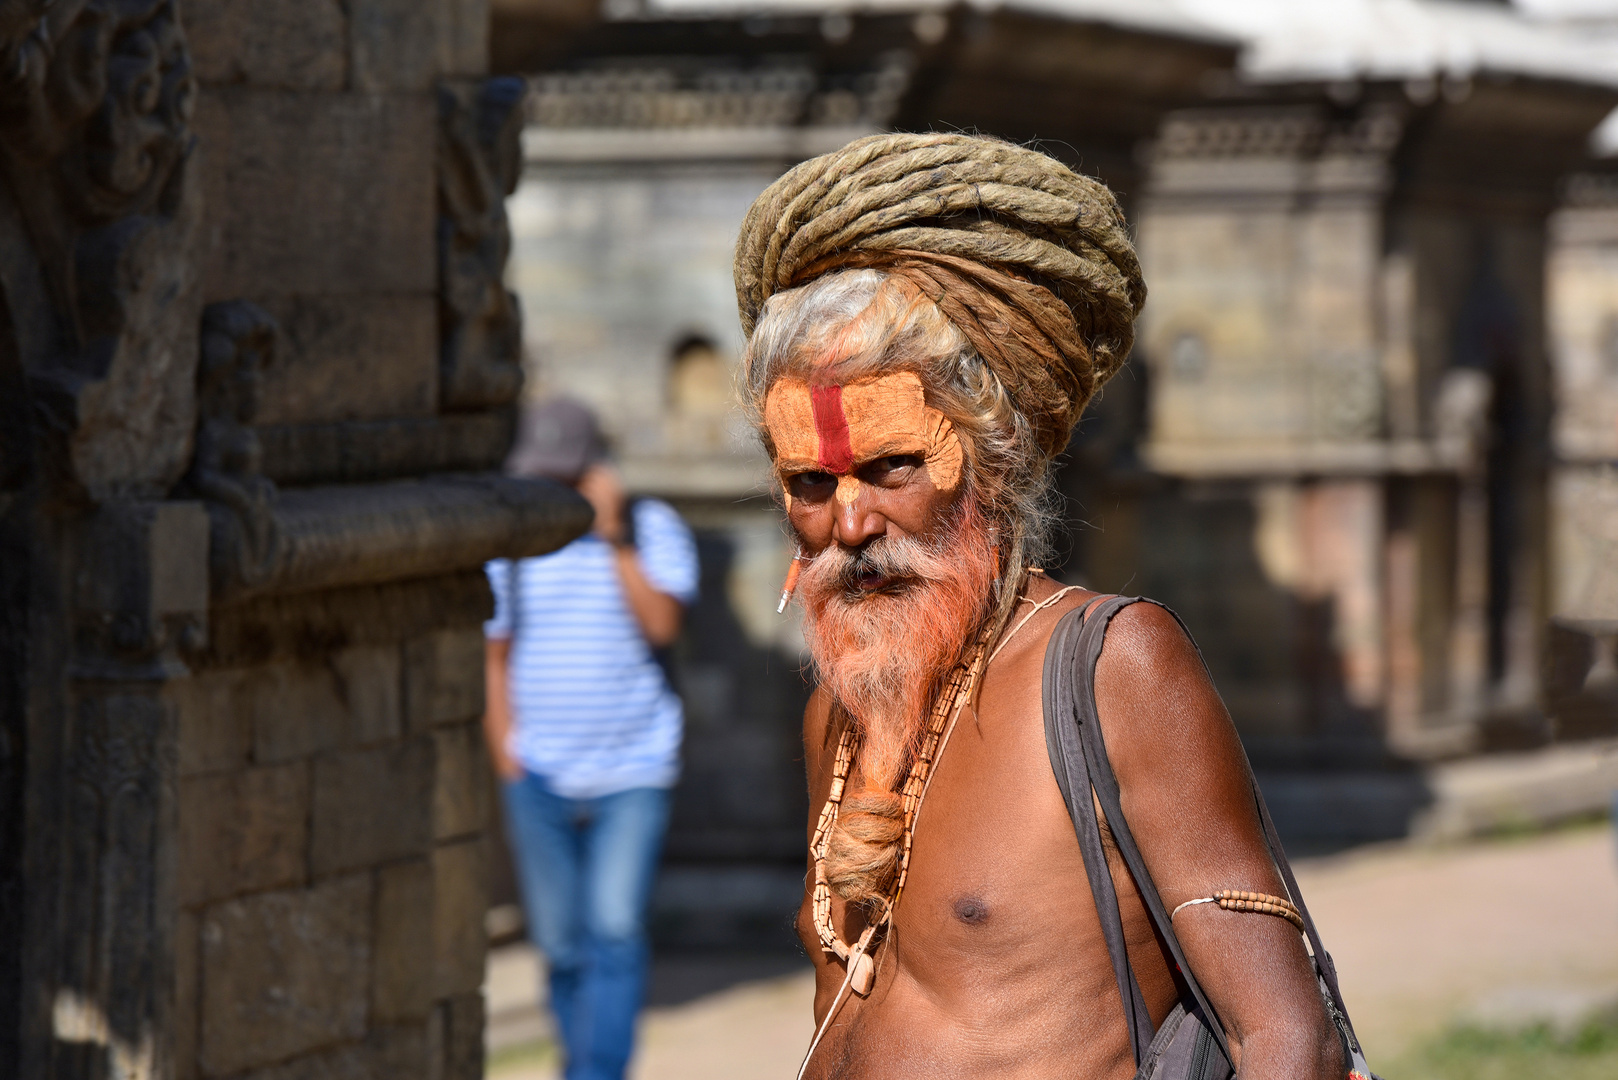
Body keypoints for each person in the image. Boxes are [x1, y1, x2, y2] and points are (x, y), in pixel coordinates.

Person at [733, 134, 1363, 1079]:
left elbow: (1284, 1036)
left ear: (990, 460)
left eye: (893, 466)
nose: (851, 521)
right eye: (811, 483)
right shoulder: (840, 712)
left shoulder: (1114, 665)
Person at [482, 397, 698, 1080]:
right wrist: (505, 751)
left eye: (562, 478)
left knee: (614, 932)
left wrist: (614, 537)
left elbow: (662, 624)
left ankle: (594, 1074)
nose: (549, 491)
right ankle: (581, 1064)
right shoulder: (513, 540)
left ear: (593, 472)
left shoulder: (651, 527)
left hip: (633, 768)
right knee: (561, 944)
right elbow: (495, 653)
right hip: (537, 773)